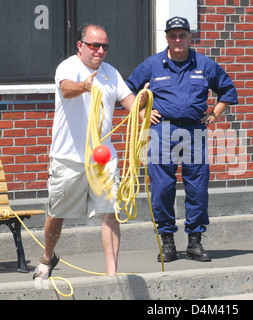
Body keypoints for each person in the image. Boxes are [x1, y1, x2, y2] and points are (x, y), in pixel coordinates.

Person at [33, 23, 149, 279]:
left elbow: (127, 101)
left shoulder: (110, 73)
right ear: (80, 45)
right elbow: (65, 89)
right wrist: (84, 86)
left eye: (104, 47)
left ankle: (112, 274)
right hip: (68, 156)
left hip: (103, 159)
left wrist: (142, 107)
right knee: (57, 213)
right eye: (94, 45)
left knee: (110, 214)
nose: (99, 51)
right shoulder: (68, 67)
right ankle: (47, 256)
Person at [126, 16, 238, 262]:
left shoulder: (204, 64)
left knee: (197, 188)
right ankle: (167, 241)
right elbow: (126, 91)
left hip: (193, 132)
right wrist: (143, 112)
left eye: (182, 35)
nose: (178, 40)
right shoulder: (152, 64)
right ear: (167, 38)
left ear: (190, 37)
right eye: (173, 35)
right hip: (160, 132)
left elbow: (228, 90)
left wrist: (214, 114)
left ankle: (194, 242)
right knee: (162, 188)